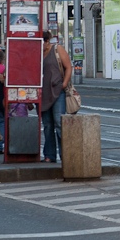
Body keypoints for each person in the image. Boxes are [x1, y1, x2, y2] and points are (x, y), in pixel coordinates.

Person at [41, 30, 71, 163]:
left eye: (40, 42)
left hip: (57, 91)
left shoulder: (57, 49)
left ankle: (65, 154)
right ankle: (49, 155)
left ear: (47, 41)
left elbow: (68, 67)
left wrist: (64, 84)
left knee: (59, 123)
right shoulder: (37, 53)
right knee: (47, 125)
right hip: (43, 93)